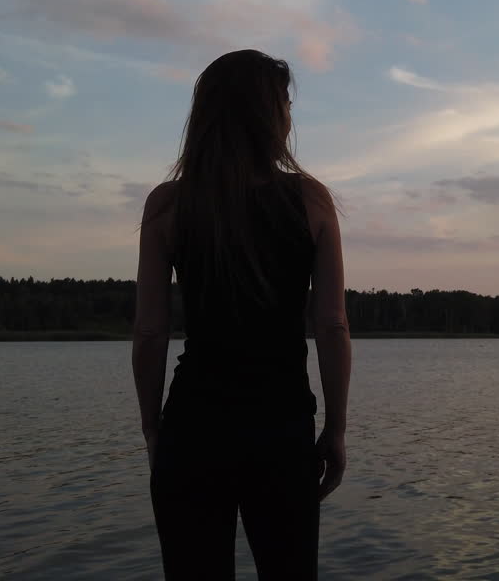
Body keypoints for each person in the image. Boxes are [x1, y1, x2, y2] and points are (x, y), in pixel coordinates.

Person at [131, 49, 352, 580]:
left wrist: (153, 430)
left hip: (194, 427)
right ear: (268, 115)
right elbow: (332, 326)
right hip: (281, 430)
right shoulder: (311, 201)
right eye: (285, 103)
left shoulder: (167, 205)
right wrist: (337, 429)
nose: (291, 115)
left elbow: (150, 332)